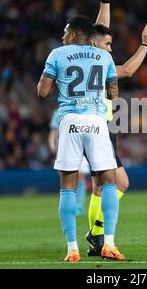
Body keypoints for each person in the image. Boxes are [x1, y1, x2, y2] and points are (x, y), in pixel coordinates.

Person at [37, 15, 125, 262]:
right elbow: (113, 91)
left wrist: (59, 83)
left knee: (67, 186)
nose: (62, 37)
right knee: (108, 182)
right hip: (97, 121)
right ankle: (108, 244)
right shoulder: (105, 56)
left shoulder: (57, 54)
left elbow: (42, 92)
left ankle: (72, 249)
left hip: (70, 122)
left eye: (65, 32)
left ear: (74, 35)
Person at [84, 0, 147, 256]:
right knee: (120, 183)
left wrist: (105, 0)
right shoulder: (95, 61)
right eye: (108, 45)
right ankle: (97, 233)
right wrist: (145, 46)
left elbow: (101, 33)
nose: (110, 48)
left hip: (97, 125)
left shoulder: (90, 57)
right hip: (98, 126)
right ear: (95, 45)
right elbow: (125, 71)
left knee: (99, 187)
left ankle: (97, 240)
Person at [48, 108, 89, 216]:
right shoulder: (58, 113)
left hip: (81, 146)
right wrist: (53, 146)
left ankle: (79, 206)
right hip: (65, 148)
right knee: (67, 178)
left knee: (81, 176)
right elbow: (53, 131)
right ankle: (70, 206)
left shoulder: (83, 109)